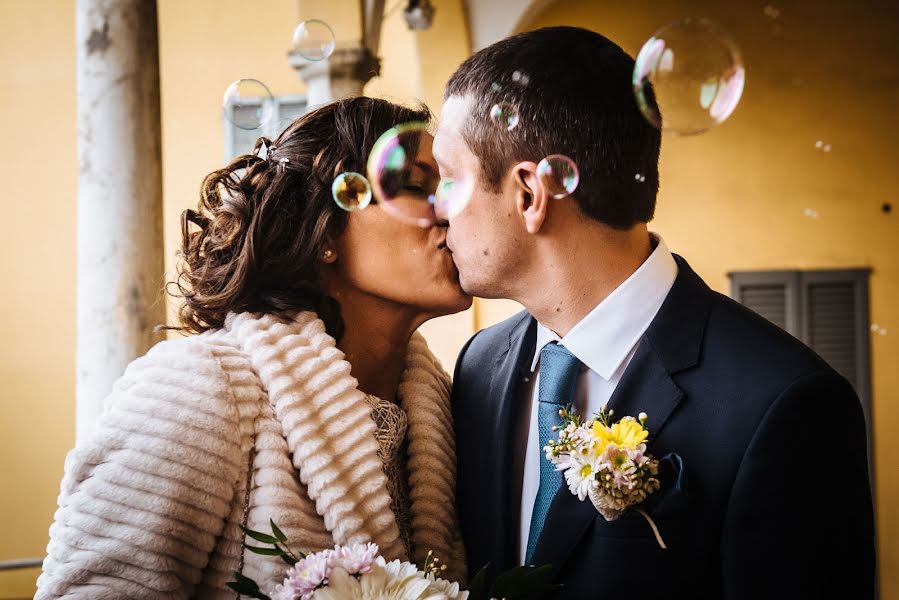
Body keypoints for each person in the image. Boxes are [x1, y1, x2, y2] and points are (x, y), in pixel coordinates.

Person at [439, 26, 875, 598]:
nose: (438, 210)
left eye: (451, 179)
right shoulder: (480, 365)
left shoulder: (784, 403)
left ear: (528, 194)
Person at [36, 96, 470, 599]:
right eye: (417, 186)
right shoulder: (202, 386)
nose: (453, 211)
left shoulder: (452, 408)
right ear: (324, 228)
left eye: (453, 188)